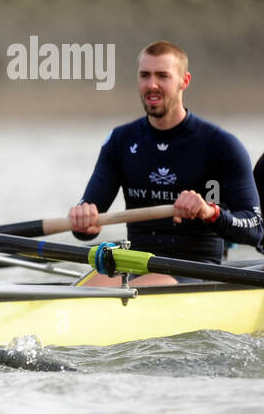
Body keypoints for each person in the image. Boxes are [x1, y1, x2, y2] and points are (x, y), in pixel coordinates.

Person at [69, 40, 262, 285]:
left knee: (125, 289)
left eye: (163, 76)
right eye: (145, 75)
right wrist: (84, 221)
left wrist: (208, 212)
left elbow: (255, 228)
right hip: (136, 264)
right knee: (88, 286)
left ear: (185, 81)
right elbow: (87, 222)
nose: (152, 85)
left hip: (196, 271)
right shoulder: (120, 141)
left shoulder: (221, 146)